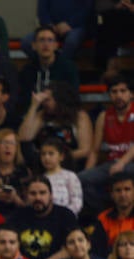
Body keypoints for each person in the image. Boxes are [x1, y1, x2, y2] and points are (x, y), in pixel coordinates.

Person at [80, 76, 134, 217]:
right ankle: (105, 213)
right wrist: (87, 172)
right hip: (112, 164)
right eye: (114, 92)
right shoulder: (104, 116)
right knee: (81, 180)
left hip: (130, 163)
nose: (119, 95)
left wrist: (122, 162)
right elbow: (95, 151)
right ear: (109, 95)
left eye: (123, 91)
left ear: (131, 94)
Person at [18, 81, 93, 169]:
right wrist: (34, 106)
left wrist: (57, 157)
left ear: (59, 100)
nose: (44, 103)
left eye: (47, 100)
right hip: (43, 164)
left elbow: (85, 150)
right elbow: (24, 137)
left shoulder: (79, 116)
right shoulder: (42, 115)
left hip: (69, 165)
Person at [17, 26, 80, 113]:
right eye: (42, 40)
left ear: (56, 45)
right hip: (35, 115)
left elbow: (73, 98)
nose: (46, 44)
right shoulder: (27, 71)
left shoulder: (68, 68)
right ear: (34, 45)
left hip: (61, 114)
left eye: (50, 40)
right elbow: (23, 101)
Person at [39, 138, 83, 216]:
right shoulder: (40, 179)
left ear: (61, 156)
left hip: (66, 218)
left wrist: (63, 216)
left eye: (51, 153)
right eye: (43, 154)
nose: (46, 157)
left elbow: (77, 202)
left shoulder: (70, 176)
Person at [98, 173, 134, 249]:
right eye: (118, 190)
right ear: (112, 194)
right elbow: (98, 250)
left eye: (127, 189)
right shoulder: (103, 218)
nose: (122, 194)